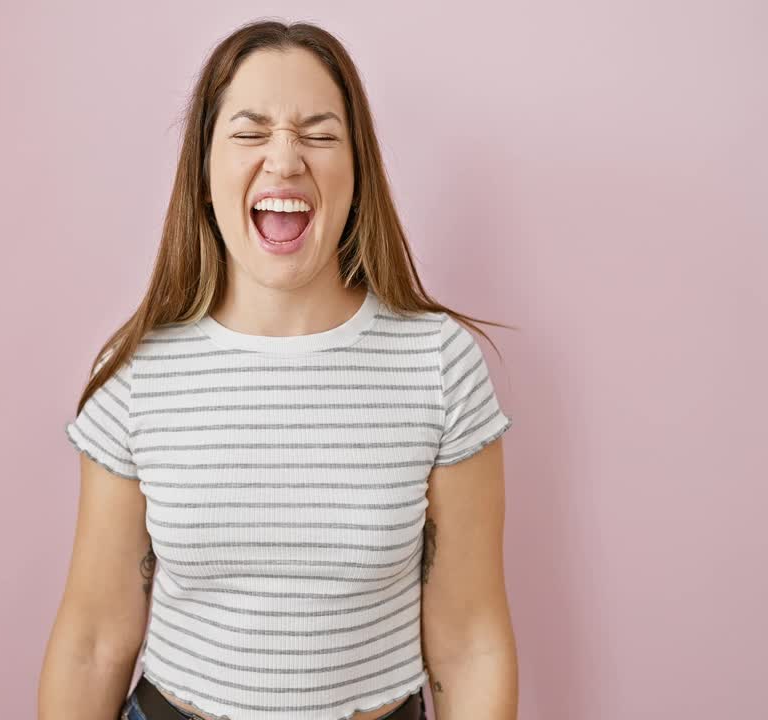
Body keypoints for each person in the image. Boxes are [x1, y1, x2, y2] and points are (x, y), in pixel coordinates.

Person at [39, 19, 519, 720]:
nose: (286, 159)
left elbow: (470, 641)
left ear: (357, 174)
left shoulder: (439, 365)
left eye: (320, 133)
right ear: (205, 173)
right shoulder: (136, 373)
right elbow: (93, 640)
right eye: (250, 131)